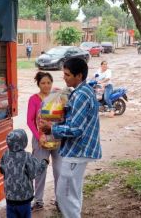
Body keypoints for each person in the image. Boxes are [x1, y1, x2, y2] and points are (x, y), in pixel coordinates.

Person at [39, 58, 102, 218]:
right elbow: (75, 120)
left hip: (77, 151)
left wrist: (52, 128)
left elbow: (76, 129)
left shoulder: (80, 95)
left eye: (67, 74)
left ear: (79, 75)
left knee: (65, 196)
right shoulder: (83, 91)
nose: (64, 77)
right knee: (72, 194)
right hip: (77, 150)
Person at [26, 72, 60, 211]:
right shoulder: (33, 99)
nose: (46, 85)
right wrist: (38, 136)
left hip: (57, 137)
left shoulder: (57, 96)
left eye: (48, 82)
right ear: (38, 84)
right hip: (40, 139)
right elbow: (29, 121)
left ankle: (60, 199)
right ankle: (38, 201)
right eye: (43, 83)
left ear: (52, 83)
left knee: (59, 170)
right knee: (40, 170)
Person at [0, 129, 49, 218]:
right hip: (24, 199)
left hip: (10, 198)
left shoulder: (5, 154)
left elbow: (2, 169)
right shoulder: (27, 156)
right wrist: (44, 163)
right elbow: (35, 172)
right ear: (24, 142)